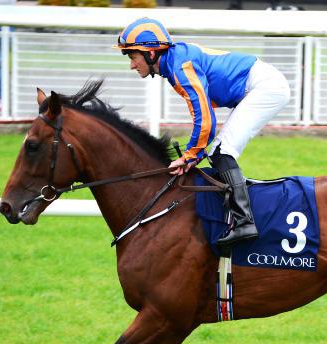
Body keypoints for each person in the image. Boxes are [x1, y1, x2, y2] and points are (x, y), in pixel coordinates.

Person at [115, 17, 291, 248]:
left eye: (132, 56)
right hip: (259, 84)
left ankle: (245, 222)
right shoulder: (174, 63)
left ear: (150, 53)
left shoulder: (180, 67)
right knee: (217, 152)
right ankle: (233, 216)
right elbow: (204, 118)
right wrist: (193, 154)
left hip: (265, 87)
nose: (131, 64)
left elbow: (205, 119)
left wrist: (190, 155)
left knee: (222, 151)